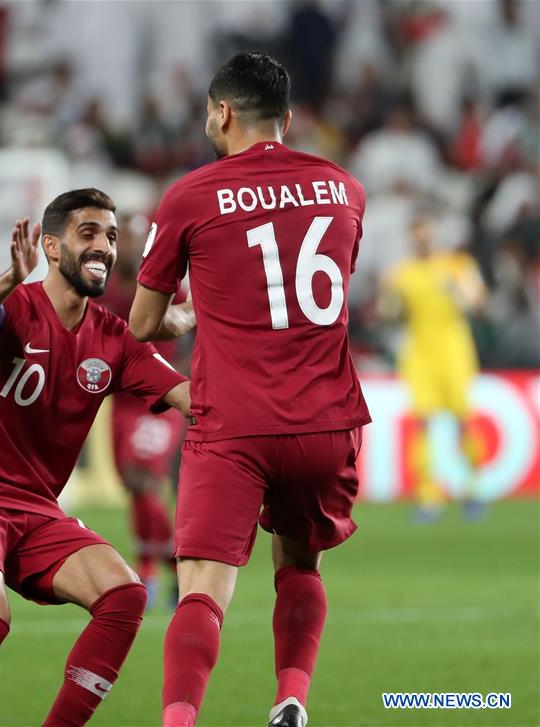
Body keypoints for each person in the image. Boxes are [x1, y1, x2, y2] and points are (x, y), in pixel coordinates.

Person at [129, 52, 372, 727]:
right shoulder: (345, 189)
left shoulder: (190, 195)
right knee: (299, 566)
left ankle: (179, 721)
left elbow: (143, 324)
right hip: (326, 421)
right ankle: (291, 698)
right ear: (287, 119)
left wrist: (188, 315)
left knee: (202, 589)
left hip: (233, 422)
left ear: (223, 112)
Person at [0, 188, 190, 727]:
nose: (104, 246)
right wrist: (10, 279)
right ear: (52, 247)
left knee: (124, 596)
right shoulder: (16, 306)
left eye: (111, 236)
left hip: (37, 510)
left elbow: (189, 397)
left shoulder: (114, 339)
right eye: (89, 233)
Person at [99, 212, 190, 606]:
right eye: (124, 239)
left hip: (159, 397)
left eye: (138, 240)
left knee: (145, 478)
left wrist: (183, 377)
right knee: (134, 486)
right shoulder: (102, 290)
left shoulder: (166, 287)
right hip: (121, 401)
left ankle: (173, 566)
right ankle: (151, 570)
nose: (132, 248)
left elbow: (193, 326)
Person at [379, 212, 487, 521]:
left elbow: (479, 303)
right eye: (417, 233)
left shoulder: (457, 266)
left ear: (434, 232)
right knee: (422, 423)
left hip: (454, 352)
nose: (422, 238)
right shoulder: (400, 274)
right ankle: (428, 496)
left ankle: (473, 488)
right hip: (419, 355)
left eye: (426, 231)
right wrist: (390, 300)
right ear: (411, 236)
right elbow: (389, 316)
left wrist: (460, 291)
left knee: (464, 420)